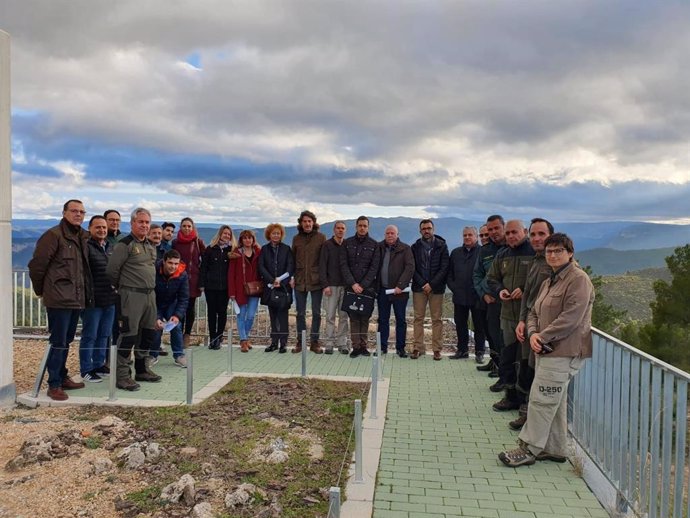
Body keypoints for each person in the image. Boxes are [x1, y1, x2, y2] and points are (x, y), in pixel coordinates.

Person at [499, 233, 594, 467]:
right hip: (545, 348)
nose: (552, 255)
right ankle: (555, 448)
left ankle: (528, 449)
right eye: (549, 251)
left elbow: (571, 317)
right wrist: (533, 334)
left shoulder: (578, 280)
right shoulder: (549, 281)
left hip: (563, 352)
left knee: (541, 400)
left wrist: (543, 335)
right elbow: (533, 311)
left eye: (558, 251)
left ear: (570, 253)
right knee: (555, 400)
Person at [28, 199, 93, 401]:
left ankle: (62, 377)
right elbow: (37, 266)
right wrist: (43, 291)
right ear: (64, 212)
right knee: (58, 342)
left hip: (75, 299)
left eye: (82, 212)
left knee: (66, 340)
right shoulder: (53, 236)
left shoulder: (82, 236)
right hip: (58, 299)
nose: (79, 215)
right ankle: (54, 384)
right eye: (74, 211)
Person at [106, 207, 160, 391]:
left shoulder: (150, 245)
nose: (144, 225)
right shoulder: (125, 244)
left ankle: (142, 370)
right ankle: (122, 376)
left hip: (149, 295)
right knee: (128, 335)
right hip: (131, 295)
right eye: (141, 222)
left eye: (147, 222)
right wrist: (123, 288)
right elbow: (112, 271)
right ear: (132, 223)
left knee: (147, 334)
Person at [509, 218, 554, 430]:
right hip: (529, 327)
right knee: (527, 370)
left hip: (546, 332)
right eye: (533, 234)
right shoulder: (536, 261)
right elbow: (528, 294)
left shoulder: (554, 263)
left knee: (540, 375)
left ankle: (538, 423)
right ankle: (526, 415)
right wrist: (521, 320)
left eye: (541, 234)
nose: (536, 239)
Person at [487, 220, 534, 411]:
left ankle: (524, 401)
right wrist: (500, 291)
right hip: (507, 314)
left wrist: (524, 290)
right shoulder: (502, 254)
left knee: (524, 361)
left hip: (528, 317)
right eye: (508, 233)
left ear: (524, 231)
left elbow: (541, 281)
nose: (511, 236)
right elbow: (491, 278)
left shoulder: (534, 253)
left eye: (515, 232)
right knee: (507, 357)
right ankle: (510, 397)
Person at [80, 215, 117, 383]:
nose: (102, 230)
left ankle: (99, 364)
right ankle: (86, 369)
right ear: (90, 228)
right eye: (98, 227)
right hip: (92, 300)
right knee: (90, 335)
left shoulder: (109, 247)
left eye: (104, 227)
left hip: (109, 299)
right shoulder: (87, 247)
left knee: (104, 334)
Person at [340, 216, 380, 358]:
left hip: (367, 289)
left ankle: (364, 346)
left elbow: (374, 267)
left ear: (368, 227)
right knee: (354, 318)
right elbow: (344, 265)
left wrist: (363, 285)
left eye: (365, 226)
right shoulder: (347, 243)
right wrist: (353, 283)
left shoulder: (374, 245)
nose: (362, 228)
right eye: (360, 225)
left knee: (365, 317)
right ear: (356, 226)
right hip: (351, 287)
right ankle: (355, 347)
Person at [410, 219, 449, 360]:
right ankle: (417, 347)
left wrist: (431, 284)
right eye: (424, 228)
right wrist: (422, 283)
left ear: (433, 229)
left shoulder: (442, 246)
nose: (427, 230)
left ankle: (437, 349)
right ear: (420, 231)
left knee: (436, 319)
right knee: (418, 318)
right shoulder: (415, 247)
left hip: (436, 288)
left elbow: (444, 267)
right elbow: (412, 267)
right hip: (419, 288)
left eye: (429, 228)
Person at [473, 215, 506, 375]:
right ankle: (495, 362)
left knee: (504, 338)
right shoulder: (485, 250)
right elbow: (477, 275)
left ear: (503, 227)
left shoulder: (511, 248)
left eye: (495, 229)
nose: (492, 233)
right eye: (489, 230)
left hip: (508, 303)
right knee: (490, 333)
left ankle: (504, 370)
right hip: (488, 301)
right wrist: (483, 294)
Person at [447, 226, 486, 362]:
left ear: (476, 236)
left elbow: (486, 274)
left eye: (470, 235)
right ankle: (462, 350)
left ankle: (479, 352)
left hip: (477, 297)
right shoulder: (456, 253)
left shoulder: (482, 252)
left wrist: (480, 290)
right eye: (465, 235)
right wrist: (454, 287)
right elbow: (449, 273)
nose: (467, 237)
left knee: (479, 326)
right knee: (460, 324)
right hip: (459, 296)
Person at [291, 210, 326, 354]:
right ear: (301, 223)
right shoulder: (296, 239)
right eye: (304, 221)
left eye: (309, 221)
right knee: (300, 313)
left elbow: (324, 260)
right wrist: (292, 277)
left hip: (316, 280)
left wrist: (325, 280)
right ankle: (300, 342)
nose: (307, 224)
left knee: (317, 313)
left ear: (314, 222)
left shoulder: (321, 238)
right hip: (299, 280)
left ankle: (315, 342)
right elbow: (292, 259)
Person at [376, 225, 414, 357]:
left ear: (397, 234)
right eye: (387, 233)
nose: (390, 235)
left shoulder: (405, 248)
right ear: (384, 234)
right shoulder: (379, 247)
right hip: (382, 290)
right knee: (382, 320)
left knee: (401, 320)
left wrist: (401, 285)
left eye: (392, 233)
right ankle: (382, 347)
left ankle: (400, 348)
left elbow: (409, 268)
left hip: (400, 292)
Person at [259, 223, 294, 353]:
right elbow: (261, 267)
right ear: (269, 234)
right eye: (273, 233)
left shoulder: (286, 249)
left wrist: (281, 281)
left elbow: (290, 267)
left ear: (281, 235)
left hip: (283, 288)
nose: (276, 235)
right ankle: (274, 342)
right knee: (273, 315)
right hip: (270, 287)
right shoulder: (264, 249)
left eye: (278, 233)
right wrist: (272, 280)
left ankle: (283, 343)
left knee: (283, 316)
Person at [151, 249, 189, 368]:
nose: (173, 266)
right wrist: (156, 316)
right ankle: (152, 355)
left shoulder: (182, 274)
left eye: (176, 263)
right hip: (154, 302)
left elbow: (184, 297)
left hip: (172, 303)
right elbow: (149, 294)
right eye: (170, 263)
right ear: (164, 261)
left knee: (176, 326)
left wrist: (177, 315)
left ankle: (179, 355)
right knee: (156, 327)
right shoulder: (154, 271)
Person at [199, 225, 235, 350]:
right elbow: (203, 267)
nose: (226, 236)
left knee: (222, 312)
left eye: (229, 234)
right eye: (225, 233)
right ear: (220, 234)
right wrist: (202, 284)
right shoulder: (210, 249)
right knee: (211, 313)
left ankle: (219, 338)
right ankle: (212, 338)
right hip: (211, 286)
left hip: (225, 287)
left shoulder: (231, 251)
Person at [173, 217, 206, 347]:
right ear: (180, 227)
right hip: (177, 280)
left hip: (193, 280)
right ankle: (178, 335)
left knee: (190, 308)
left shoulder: (198, 242)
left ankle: (187, 335)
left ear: (193, 228)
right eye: (184, 226)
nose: (187, 228)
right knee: (178, 308)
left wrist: (202, 279)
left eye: (189, 226)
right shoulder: (175, 243)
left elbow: (205, 261)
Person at [228, 230, 262, 352]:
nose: (248, 240)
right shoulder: (236, 254)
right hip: (239, 288)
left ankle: (245, 338)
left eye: (250, 238)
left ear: (253, 239)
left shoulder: (258, 252)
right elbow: (231, 274)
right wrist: (231, 292)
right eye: (245, 238)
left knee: (251, 315)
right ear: (241, 240)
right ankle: (243, 340)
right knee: (241, 315)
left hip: (254, 288)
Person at [319, 221, 350, 355]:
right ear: (334, 230)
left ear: (345, 230)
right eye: (338, 228)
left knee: (344, 316)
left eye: (342, 228)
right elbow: (322, 266)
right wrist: (325, 285)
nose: (340, 230)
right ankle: (329, 343)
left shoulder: (347, 245)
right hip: (330, 286)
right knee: (330, 316)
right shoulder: (327, 245)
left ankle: (342, 343)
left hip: (345, 286)